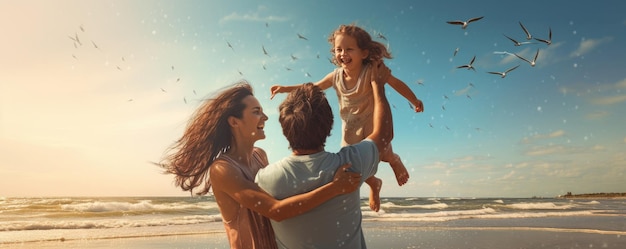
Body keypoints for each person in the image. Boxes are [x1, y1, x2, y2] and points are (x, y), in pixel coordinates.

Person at [158, 81, 361, 249]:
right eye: (256, 112)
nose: (264, 117)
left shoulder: (260, 156)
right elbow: (275, 211)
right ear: (234, 122)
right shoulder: (222, 169)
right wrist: (335, 188)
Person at [269, 23, 424, 212]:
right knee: (348, 166)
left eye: (349, 49)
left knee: (383, 153)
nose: (343, 54)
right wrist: (285, 88)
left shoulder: (372, 71)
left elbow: (396, 83)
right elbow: (312, 86)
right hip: (350, 127)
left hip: (372, 122)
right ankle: (374, 183)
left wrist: (414, 99)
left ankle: (394, 160)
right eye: (338, 49)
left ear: (364, 53)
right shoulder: (335, 76)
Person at [255, 62, 393, 248]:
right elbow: (384, 135)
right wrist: (378, 85)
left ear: (284, 128)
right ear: (329, 124)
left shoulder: (265, 178)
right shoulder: (351, 163)